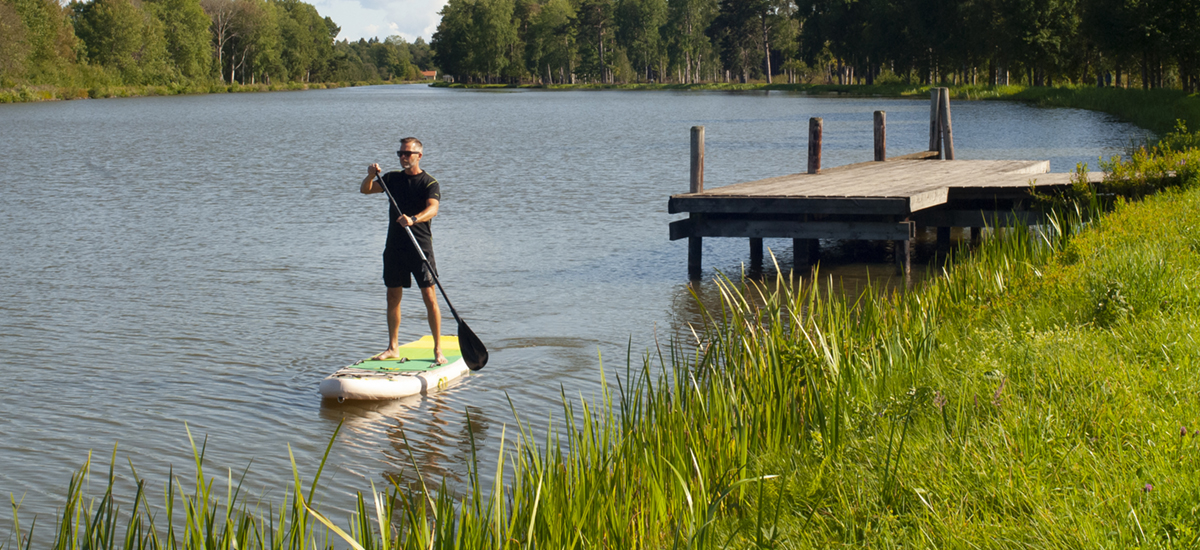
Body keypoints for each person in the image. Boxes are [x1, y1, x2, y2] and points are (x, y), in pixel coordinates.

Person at [360, 137, 447, 364]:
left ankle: (438, 350)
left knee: (429, 296)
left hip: (420, 247)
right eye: (400, 153)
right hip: (395, 247)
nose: (402, 157)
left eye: (407, 153)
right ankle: (392, 347)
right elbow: (365, 190)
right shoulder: (391, 178)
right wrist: (370, 175)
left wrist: (413, 219)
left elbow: (433, 209)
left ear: (419, 156)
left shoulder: (429, 183)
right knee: (392, 296)